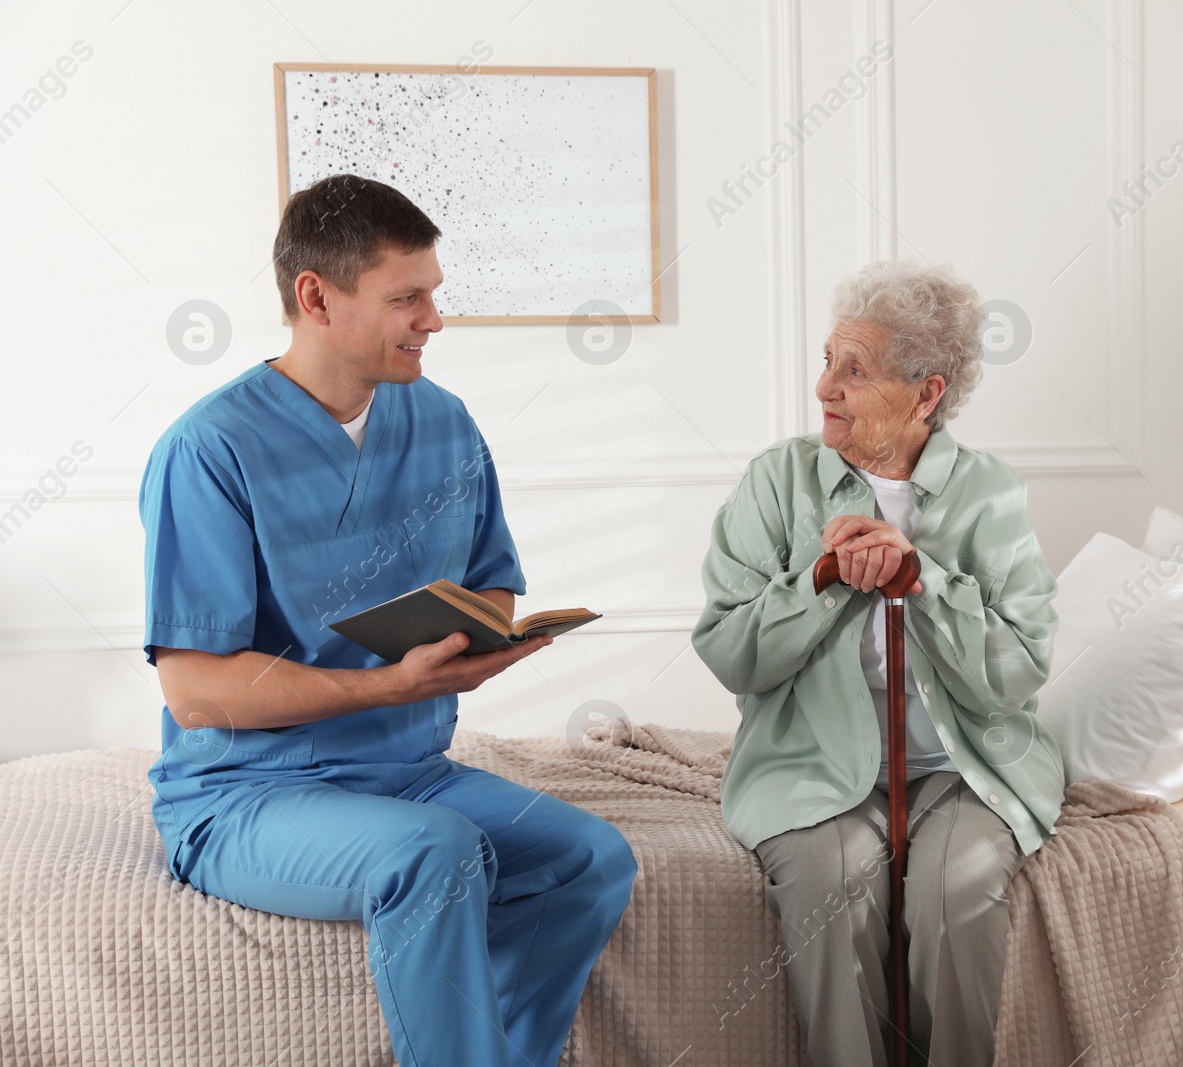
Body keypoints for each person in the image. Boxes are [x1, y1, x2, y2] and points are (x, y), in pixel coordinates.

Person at [141, 173, 636, 1067]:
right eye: (408, 298)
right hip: (246, 793)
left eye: (434, 294)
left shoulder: (443, 422)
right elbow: (197, 693)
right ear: (316, 297)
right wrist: (386, 684)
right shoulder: (207, 450)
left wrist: (478, 641)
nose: (434, 320)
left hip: (407, 771)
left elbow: (491, 582)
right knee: (435, 852)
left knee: (592, 856)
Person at [692, 260, 1064, 1067]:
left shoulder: (990, 492)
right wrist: (820, 582)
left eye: (853, 370)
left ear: (926, 393)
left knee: (955, 889)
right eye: (828, 360)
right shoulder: (777, 481)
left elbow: (1021, 667)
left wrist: (924, 579)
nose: (825, 386)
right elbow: (729, 652)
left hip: (963, 768)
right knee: (831, 887)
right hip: (812, 763)